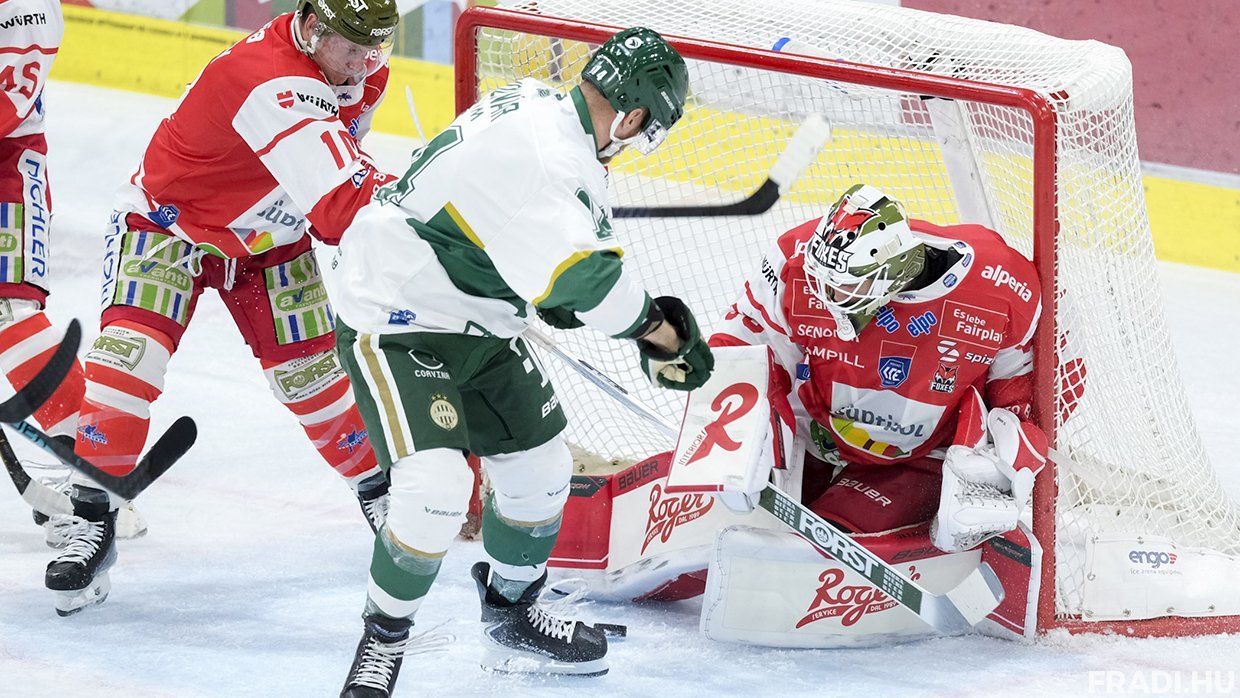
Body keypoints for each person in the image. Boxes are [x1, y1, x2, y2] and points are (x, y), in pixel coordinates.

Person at [324, 26, 713, 697]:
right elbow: (587, 283)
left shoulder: (540, 105)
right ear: (633, 115)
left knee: (541, 470)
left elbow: (531, 249)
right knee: (436, 489)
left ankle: (513, 613)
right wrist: (661, 334)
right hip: (398, 315)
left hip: (479, 314)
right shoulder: (553, 162)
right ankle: (382, 642)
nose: (641, 141)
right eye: (649, 129)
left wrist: (560, 294)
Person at [44, 0, 401, 617]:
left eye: (376, 48)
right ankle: (92, 519)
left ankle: (381, 494)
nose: (363, 64)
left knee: (314, 380)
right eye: (351, 47)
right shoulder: (270, 80)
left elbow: (339, 163)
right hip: (170, 227)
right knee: (125, 365)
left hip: (271, 241)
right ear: (312, 26)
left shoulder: (361, 70)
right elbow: (341, 206)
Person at [712, 182, 1047, 553]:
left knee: (828, 540)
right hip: (812, 436)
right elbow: (740, 342)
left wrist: (1000, 457)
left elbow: (1028, 388)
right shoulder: (795, 259)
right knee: (722, 516)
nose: (825, 295)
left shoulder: (1002, 284)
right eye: (822, 279)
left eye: (844, 286)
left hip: (919, 458)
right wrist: (741, 426)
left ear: (891, 273)